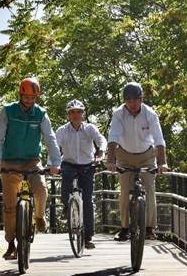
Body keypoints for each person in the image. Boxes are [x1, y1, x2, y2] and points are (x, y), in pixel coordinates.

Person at [0, 77, 61, 260]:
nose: (29, 101)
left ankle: (39, 217)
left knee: (41, 190)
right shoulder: (8, 111)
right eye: (26, 97)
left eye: (33, 98)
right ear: (20, 95)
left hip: (32, 161)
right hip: (9, 162)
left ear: (37, 97)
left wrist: (55, 163)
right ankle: (10, 244)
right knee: (9, 207)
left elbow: (50, 138)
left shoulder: (41, 114)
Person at [106, 82, 169, 241]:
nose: (132, 104)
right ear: (124, 101)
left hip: (146, 155)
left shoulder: (150, 114)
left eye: (135, 100)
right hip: (125, 155)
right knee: (125, 191)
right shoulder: (118, 114)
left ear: (141, 99)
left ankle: (149, 228)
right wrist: (111, 161)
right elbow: (113, 137)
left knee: (149, 188)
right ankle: (125, 228)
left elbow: (159, 140)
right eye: (128, 101)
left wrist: (162, 163)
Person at [55, 99, 107, 250]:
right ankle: (66, 205)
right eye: (72, 112)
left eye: (78, 112)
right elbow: (55, 147)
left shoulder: (90, 128)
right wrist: (53, 163)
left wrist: (101, 153)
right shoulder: (62, 131)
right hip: (69, 164)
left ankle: (88, 237)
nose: (75, 115)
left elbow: (101, 140)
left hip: (87, 165)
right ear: (68, 115)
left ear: (82, 114)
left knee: (88, 201)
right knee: (65, 184)